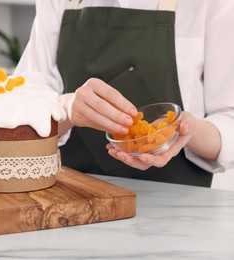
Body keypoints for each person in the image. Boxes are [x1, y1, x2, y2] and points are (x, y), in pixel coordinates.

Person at [14, 0, 234, 189]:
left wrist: (188, 130)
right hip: (72, 203)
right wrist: (66, 108)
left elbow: (229, 119)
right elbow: (20, 116)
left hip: (179, 214)